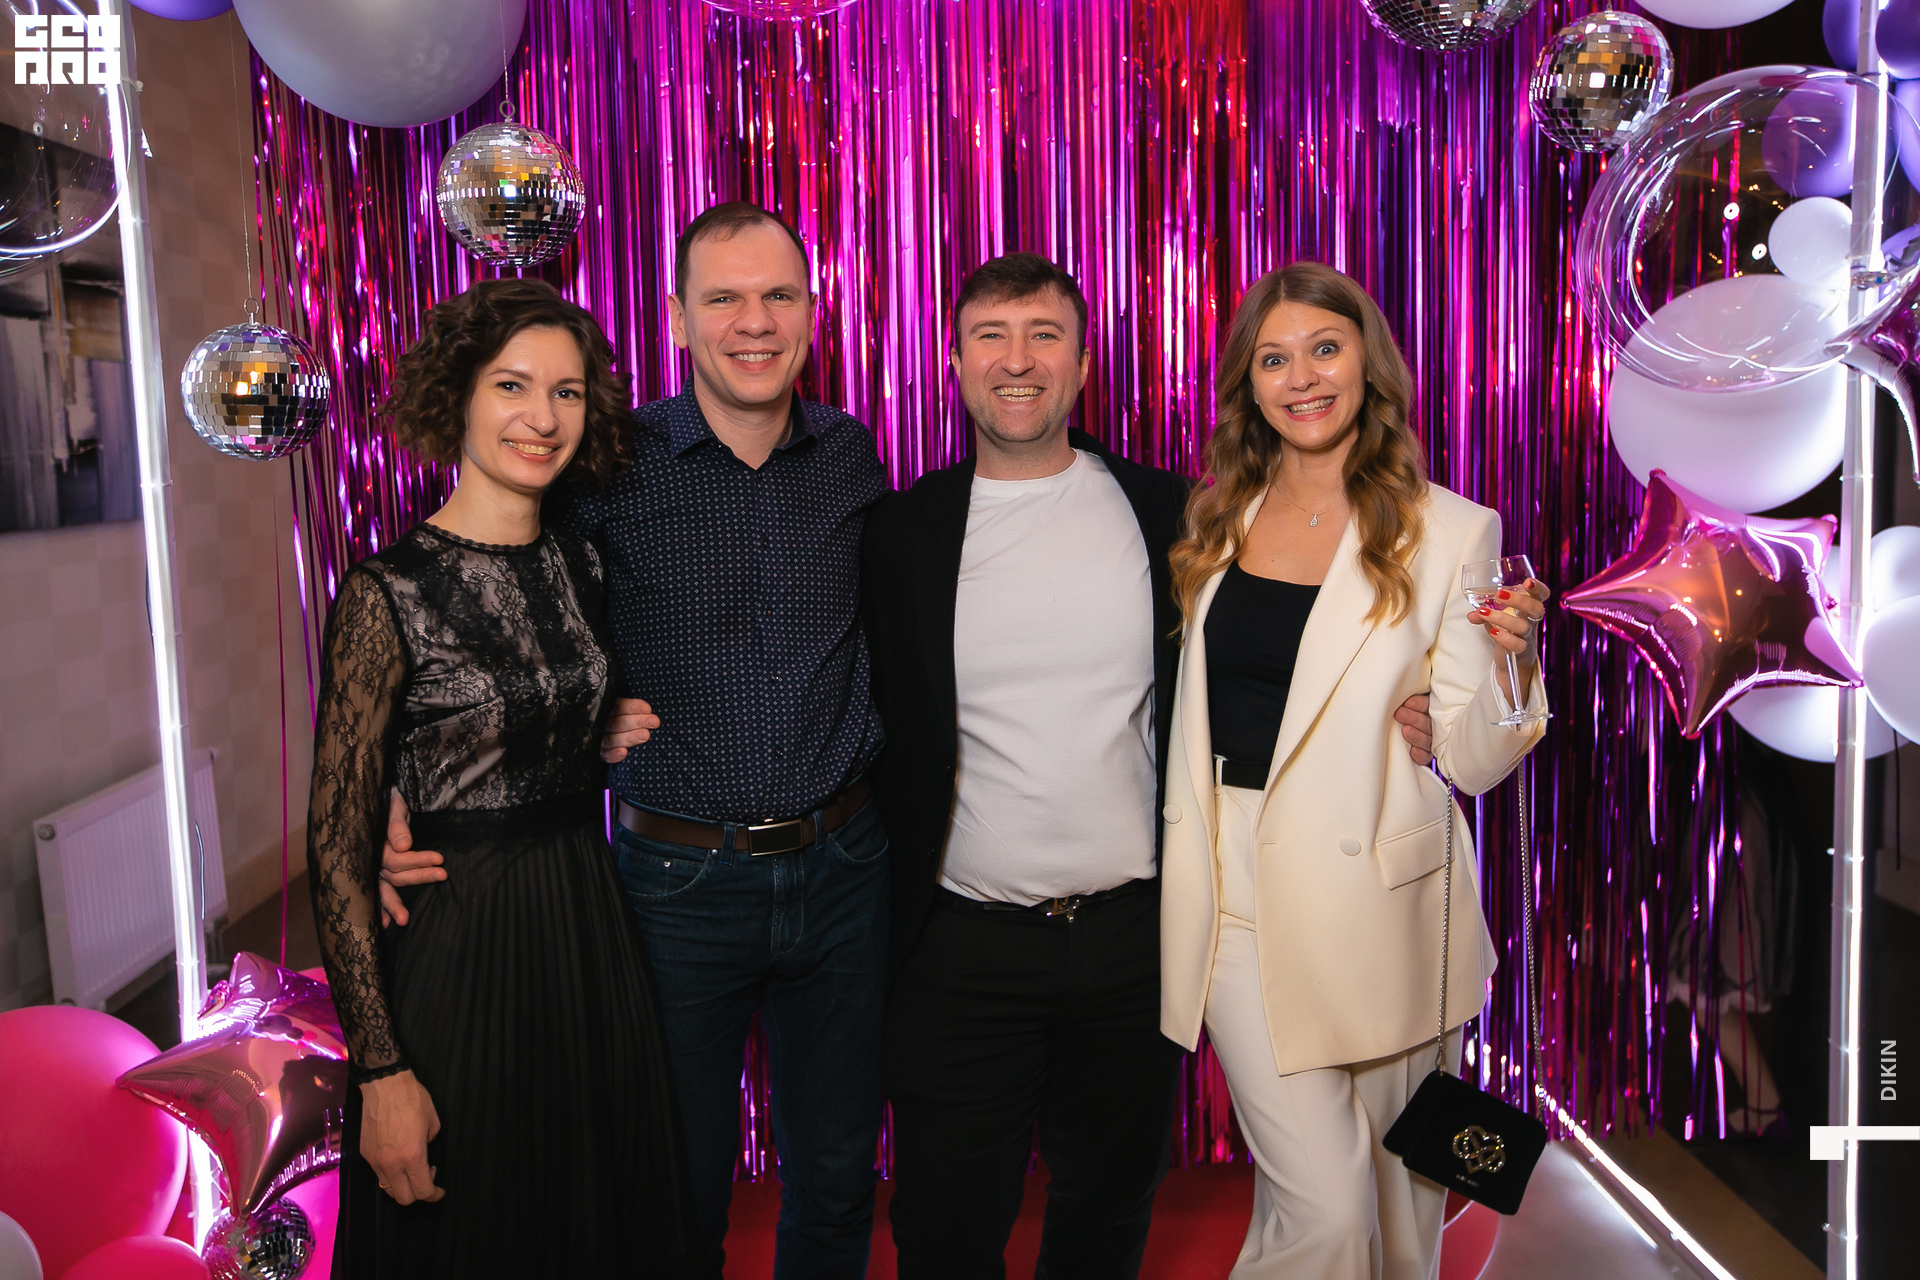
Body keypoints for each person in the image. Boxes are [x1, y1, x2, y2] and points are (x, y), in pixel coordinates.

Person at [861, 253, 1440, 1279]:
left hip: (1137, 940)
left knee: (1109, 1209)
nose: (1017, 360)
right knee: (947, 1226)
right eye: (991, 336)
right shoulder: (900, 530)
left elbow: (1287, 650)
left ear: (1083, 363)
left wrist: (1420, 695)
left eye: (1044, 335)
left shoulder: (1175, 512)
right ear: (954, 361)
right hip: (962, 946)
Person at [379, 204, 889, 1280]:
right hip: (675, 885)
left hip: (846, 869)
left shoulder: (851, 455)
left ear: (812, 310)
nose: (755, 322)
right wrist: (394, 786)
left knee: (840, 1177)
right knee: (672, 1184)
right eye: (724, 298)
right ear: (677, 317)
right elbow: (492, 624)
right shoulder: (607, 465)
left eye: (778, 296)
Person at [1157, 262, 1549, 1280]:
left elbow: (1473, 759)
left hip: (1385, 901)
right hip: (1235, 886)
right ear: (1249, 384)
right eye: (1274, 359)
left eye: (1324, 349)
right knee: (1328, 1212)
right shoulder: (1215, 519)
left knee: (1402, 1218)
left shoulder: (1451, 528)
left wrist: (1514, 664)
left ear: (1368, 363)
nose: (1302, 378)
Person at [306, 278, 693, 1275]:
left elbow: (546, 706)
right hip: (460, 944)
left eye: (566, 392)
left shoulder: (581, 561)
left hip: (588, 933)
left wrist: (595, 724)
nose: (541, 418)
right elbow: (337, 852)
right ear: (459, 395)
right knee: (470, 1230)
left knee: (596, 1220)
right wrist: (379, 1071)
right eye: (512, 386)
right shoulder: (386, 592)